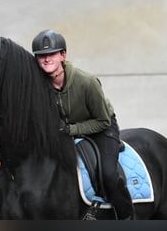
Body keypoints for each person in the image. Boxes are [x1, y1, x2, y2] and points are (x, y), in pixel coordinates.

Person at [31, 29, 135, 220]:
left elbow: (102, 121)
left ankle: (128, 218)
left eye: (51, 54)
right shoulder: (38, 87)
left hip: (102, 128)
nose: (46, 59)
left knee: (109, 175)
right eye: (41, 56)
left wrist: (71, 130)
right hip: (66, 131)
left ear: (63, 55)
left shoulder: (87, 82)